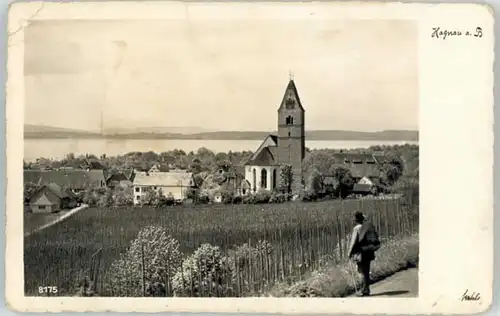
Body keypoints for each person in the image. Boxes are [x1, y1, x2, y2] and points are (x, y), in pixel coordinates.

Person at [347, 211, 380, 297]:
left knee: (360, 271)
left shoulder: (356, 228)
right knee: (366, 271)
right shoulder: (367, 226)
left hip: (360, 252)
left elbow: (353, 242)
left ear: (355, 219)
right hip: (368, 251)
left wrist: (349, 252)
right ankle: (367, 290)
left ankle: (362, 290)